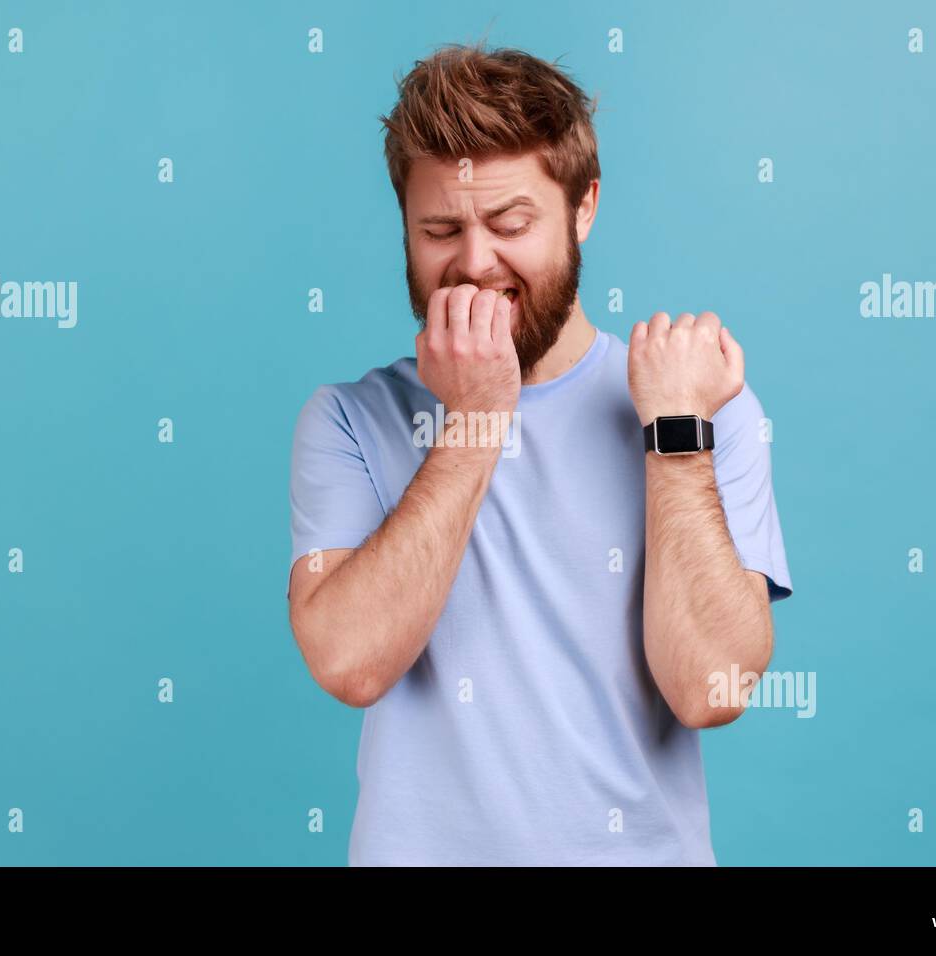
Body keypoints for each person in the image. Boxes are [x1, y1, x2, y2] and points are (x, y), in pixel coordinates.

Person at [287, 42, 793, 866]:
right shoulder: (347, 420)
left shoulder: (697, 407)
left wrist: (673, 437)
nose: (476, 263)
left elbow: (711, 688)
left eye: (511, 223)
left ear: (583, 206)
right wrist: (479, 418)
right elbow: (349, 664)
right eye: (440, 229)